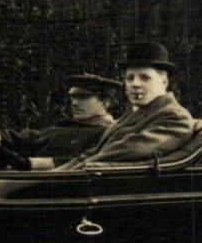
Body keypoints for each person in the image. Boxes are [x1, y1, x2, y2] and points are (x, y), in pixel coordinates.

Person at [61, 42, 194, 169]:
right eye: (130, 78)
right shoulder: (136, 113)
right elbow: (96, 152)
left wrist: (74, 170)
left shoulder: (175, 117)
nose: (135, 84)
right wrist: (58, 173)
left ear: (164, 82)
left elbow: (128, 150)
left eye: (145, 78)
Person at [0, 74, 122, 168]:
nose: (74, 103)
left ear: (105, 103)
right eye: (73, 98)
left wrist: (28, 163)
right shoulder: (66, 126)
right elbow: (33, 138)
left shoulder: (106, 133)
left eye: (82, 97)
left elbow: (78, 162)